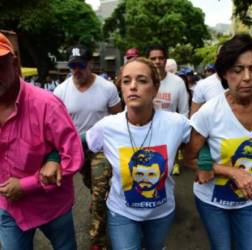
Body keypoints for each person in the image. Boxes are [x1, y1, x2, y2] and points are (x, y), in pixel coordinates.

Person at [185, 34, 252, 250]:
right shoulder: (210, 112)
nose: (247, 77)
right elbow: (190, 159)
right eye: (237, 70)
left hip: (249, 201)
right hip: (212, 202)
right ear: (224, 74)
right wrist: (232, 172)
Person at [86, 57, 191, 249]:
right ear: (121, 88)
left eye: (142, 80)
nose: (133, 86)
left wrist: (206, 163)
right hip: (122, 213)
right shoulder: (107, 127)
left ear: (155, 88)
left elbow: (203, 139)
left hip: (161, 213)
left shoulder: (177, 124)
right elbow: (80, 144)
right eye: (126, 81)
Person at [0, 32, 83, 250]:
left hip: (51, 206)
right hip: (8, 209)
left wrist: (28, 183)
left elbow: (73, 157)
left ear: (14, 62)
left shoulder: (47, 104)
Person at [54, 44, 122, 250]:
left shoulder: (107, 88)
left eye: (81, 65)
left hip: (101, 148)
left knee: (100, 192)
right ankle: (95, 194)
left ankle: (97, 241)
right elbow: (56, 124)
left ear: (91, 64)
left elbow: (118, 117)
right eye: (73, 66)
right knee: (90, 182)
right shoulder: (60, 91)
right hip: (76, 148)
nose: (77, 70)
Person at [147, 45, 189, 175]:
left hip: (170, 131)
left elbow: (184, 110)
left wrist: (182, 134)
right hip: (147, 130)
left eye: (161, 58)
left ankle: (175, 163)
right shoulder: (142, 80)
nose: (157, 61)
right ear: (148, 61)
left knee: (167, 171)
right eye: (153, 58)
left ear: (165, 60)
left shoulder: (178, 82)